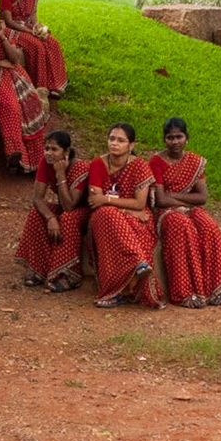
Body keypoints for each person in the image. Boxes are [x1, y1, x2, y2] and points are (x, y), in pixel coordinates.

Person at [149, 118, 221, 308]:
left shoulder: (194, 161)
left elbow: (202, 197)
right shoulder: (156, 161)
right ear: (164, 140)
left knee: (210, 227)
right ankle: (186, 292)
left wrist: (175, 197)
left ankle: (217, 289)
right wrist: (183, 200)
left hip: (190, 208)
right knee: (183, 227)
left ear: (187, 138)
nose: (175, 141)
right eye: (170, 137)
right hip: (166, 213)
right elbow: (161, 200)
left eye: (179, 137)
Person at [86, 123, 164, 309]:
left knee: (110, 213)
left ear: (131, 145)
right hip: (105, 217)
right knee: (106, 215)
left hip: (137, 217)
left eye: (121, 140)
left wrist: (107, 200)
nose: (114, 143)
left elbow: (139, 204)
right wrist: (121, 208)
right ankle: (136, 263)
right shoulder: (98, 164)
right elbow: (94, 200)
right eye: (112, 139)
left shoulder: (139, 166)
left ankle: (129, 287)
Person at [0, 1, 49, 174]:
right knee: (8, 104)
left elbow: (14, 59)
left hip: (14, 73)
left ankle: (37, 161)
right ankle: (15, 153)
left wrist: (1, 36)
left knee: (31, 103)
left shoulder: (4, 32)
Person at [16, 130, 91, 292]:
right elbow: (37, 198)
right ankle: (39, 269)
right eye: (47, 148)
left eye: (54, 149)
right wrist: (50, 217)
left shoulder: (80, 167)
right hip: (65, 208)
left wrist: (60, 174)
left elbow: (70, 206)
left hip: (85, 211)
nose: (49, 153)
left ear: (66, 152)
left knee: (68, 217)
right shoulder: (45, 162)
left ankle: (70, 275)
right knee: (37, 213)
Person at [0, 0, 68, 96]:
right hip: (11, 29)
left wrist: (41, 29)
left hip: (28, 28)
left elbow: (34, 21)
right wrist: (29, 32)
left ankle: (55, 84)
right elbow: (8, 21)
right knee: (37, 47)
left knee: (53, 43)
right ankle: (41, 86)